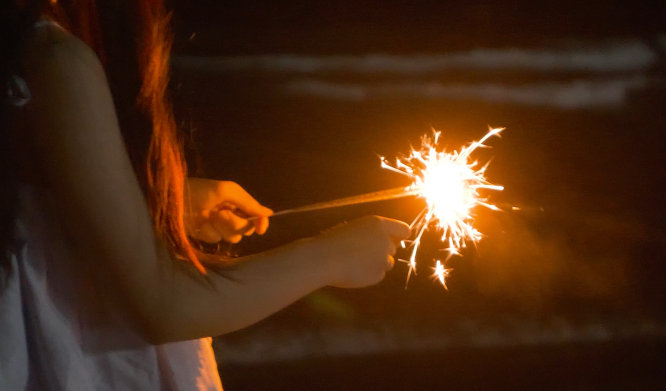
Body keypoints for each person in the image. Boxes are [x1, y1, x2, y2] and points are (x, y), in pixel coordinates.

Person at [0, 1, 410, 390]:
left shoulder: (25, 44)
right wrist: (331, 257)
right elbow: (161, 307)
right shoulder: (54, 61)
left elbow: (35, 198)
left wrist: (149, 205)